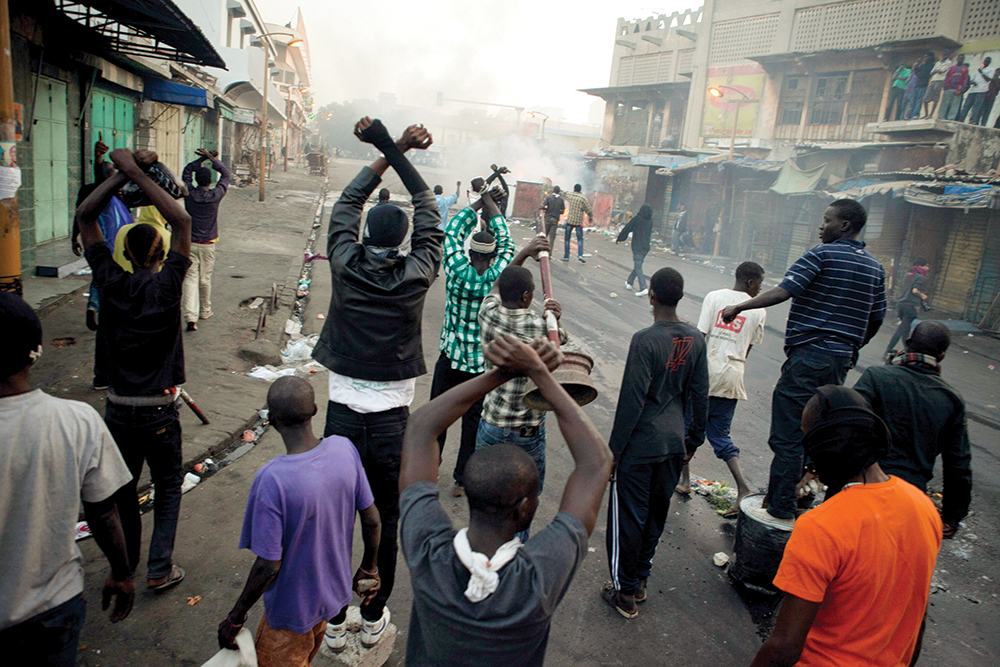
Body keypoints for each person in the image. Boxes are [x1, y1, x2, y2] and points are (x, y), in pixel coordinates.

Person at [398, 334, 613, 667]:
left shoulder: (428, 554)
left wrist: (501, 373)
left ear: (469, 492)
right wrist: (537, 372)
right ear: (525, 508)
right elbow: (597, 463)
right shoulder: (536, 580)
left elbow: (420, 427)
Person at [311, 118, 441, 638]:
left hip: (342, 415)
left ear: (364, 232)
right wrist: (397, 145)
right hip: (392, 422)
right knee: (383, 517)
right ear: (407, 239)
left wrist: (386, 149)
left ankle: (335, 613)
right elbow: (428, 205)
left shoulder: (344, 261)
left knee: (338, 517)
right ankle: (371, 612)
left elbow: (345, 203)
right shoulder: (419, 271)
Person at [722, 199, 886, 527]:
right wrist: (852, 345)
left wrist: (739, 308)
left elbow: (785, 291)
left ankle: (780, 506)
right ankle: (803, 496)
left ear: (844, 226)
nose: (820, 226)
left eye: (826, 220)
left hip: (809, 356)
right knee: (818, 430)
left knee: (788, 433)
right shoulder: (874, 267)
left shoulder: (821, 255)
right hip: (840, 361)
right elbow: (876, 317)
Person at [750, 386, 942, 667]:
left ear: (823, 446)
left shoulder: (820, 526)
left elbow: (784, 647)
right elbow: (917, 612)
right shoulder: (922, 506)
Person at [77, 147, 193, 591]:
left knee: (124, 492)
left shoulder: (109, 281)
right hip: (160, 410)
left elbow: (87, 218)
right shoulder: (167, 285)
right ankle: (159, 569)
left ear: (123, 249)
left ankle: (123, 567)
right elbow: (181, 220)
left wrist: (119, 175)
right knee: (166, 487)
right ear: (161, 251)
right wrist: (137, 174)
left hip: (119, 408)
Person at [0, 292, 134, 665]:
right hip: (52, 608)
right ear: (36, 350)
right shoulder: (75, 421)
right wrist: (121, 573)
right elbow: (103, 512)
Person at [217, 377, 383, 664]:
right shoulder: (344, 449)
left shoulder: (273, 479)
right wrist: (369, 568)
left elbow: (268, 564)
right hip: (332, 598)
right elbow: (372, 520)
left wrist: (235, 616)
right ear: (316, 410)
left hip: (290, 615)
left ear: (271, 420)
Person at [604, 267, 709, 619]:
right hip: (673, 442)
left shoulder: (645, 340)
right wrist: (694, 438)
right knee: (655, 516)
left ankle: (623, 593)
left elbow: (632, 402)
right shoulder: (696, 338)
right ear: (679, 297)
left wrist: (613, 452)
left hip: (640, 444)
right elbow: (700, 393)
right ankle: (640, 580)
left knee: (628, 519)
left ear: (651, 294)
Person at [430, 188, 517, 497]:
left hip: (451, 357)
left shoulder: (455, 270)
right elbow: (508, 242)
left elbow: (452, 232)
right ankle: (461, 480)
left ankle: (431, 467)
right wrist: (493, 206)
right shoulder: (497, 274)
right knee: (472, 424)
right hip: (480, 364)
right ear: (491, 256)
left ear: (470, 253)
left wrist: (479, 200)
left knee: (439, 418)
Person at [855, 321, 972, 539]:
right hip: (909, 498)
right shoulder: (950, 399)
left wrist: (816, 470)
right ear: (943, 354)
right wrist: (952, 516)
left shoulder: (876, 377)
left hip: (861, 487)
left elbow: (846, 424)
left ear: (908, 344)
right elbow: (958, 464)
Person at [476, 263, 565, 522]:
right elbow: (559, 342)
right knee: (523, 504)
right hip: (527, 430)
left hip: (492, 424)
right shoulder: (539, 328)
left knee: (486, 500)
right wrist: (553, 318)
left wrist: (524, 253)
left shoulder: (487, 314)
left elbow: (493, 289)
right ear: (527, 297)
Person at [676, 262, 766, 516]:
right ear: (750, 282)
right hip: (732, 379)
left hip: (706, 376)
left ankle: (684, 481)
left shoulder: (714, 297)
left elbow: (699, 337)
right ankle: (743, 489)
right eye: (760, 282)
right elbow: (747, 349)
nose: (761, 288)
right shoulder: (758, 310)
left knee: (689, 428)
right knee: (720, 435)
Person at [180, 148, 230, 331]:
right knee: (205, 279)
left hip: (190, 242)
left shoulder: (189, 194)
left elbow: (186, 171)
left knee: (191, 279)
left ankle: (191, 317)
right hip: (208, 243)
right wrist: (212, 160)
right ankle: (205, 310)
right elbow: (225, 174)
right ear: (210, 181)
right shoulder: (215, 195)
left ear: (196, 180)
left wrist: (201, 159)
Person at [885, 257, 930, 357]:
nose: (928, 268)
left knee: (904, 329)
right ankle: (894, 351)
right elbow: (915, 290)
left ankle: (904, 350)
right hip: (910, 306)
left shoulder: (907, 275)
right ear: (920, 266)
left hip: (901, 305)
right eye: (926, 266)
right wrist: (923, 296)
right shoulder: (920, 277)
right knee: (902, 329)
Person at [617, 203, 653, 297]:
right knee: (638, 265)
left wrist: (620, 238)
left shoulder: (637, 219)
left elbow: (627, 228)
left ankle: (643, 287)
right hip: (646, 247)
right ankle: (629, 282)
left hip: (638, 246)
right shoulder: (650, 221)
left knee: (638, 266)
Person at [561, 183, 593, 263]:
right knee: (580, 239)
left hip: (570, 221)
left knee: (567, 239)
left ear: (574, 189)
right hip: (578, 222)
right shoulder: (583, 198)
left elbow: (564, 193)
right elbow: (588, 209)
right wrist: (590, 217)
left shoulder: (571, 195)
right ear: (580, 190)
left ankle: (566, 256)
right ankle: (580, 255)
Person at [959, 57, 995, 125]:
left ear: (989, 62)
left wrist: (981, 73)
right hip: (973, 90)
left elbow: (988, 79)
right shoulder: (978, 69)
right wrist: (972, 82)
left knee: (976, 106)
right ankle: (961, 119)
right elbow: (972, 79)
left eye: (987, 61)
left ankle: (973, 120)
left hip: (982, 90)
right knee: (966, 105)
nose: (985, 62)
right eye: (985, 60)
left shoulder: (991, 69)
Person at [938, 55, 968, 121]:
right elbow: (947, 77)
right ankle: (941, 117)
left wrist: (963, 87)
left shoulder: (965, 68)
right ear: (957, 59)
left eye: (962, 59)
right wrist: (945, 86)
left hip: (958, 89)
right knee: (944, 104)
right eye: (960, 58)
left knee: (955, 105)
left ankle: (951, 118)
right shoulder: (952, 68)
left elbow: (965, 78)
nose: (961, 60)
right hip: (949, 88)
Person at [923, 50, 951, 118]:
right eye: (944, 54)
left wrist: (937, 70)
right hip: (933, 80)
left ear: (948, 55)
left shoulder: (949, 62)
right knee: (925, 98)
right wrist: (937, 70)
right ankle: (926, 114)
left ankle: (930, 115)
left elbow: (942, 71)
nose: (945, 56)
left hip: (940, 80)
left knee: (935, 98)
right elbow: (931, 72)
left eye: (946, 55)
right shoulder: (938, 62)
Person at [906, 53, 934, 119]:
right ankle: (908, 115)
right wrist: (917, 65)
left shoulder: (931, 65)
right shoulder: (922, 65)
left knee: (919, 101)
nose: (925, 58)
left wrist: (919, 74)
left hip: (923, 85)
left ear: (930, 57)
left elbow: (925, 74)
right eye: (924, 57)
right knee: (912, 101)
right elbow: (916, 72)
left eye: (927, 56)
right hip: (917, 85)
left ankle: (915, 114)